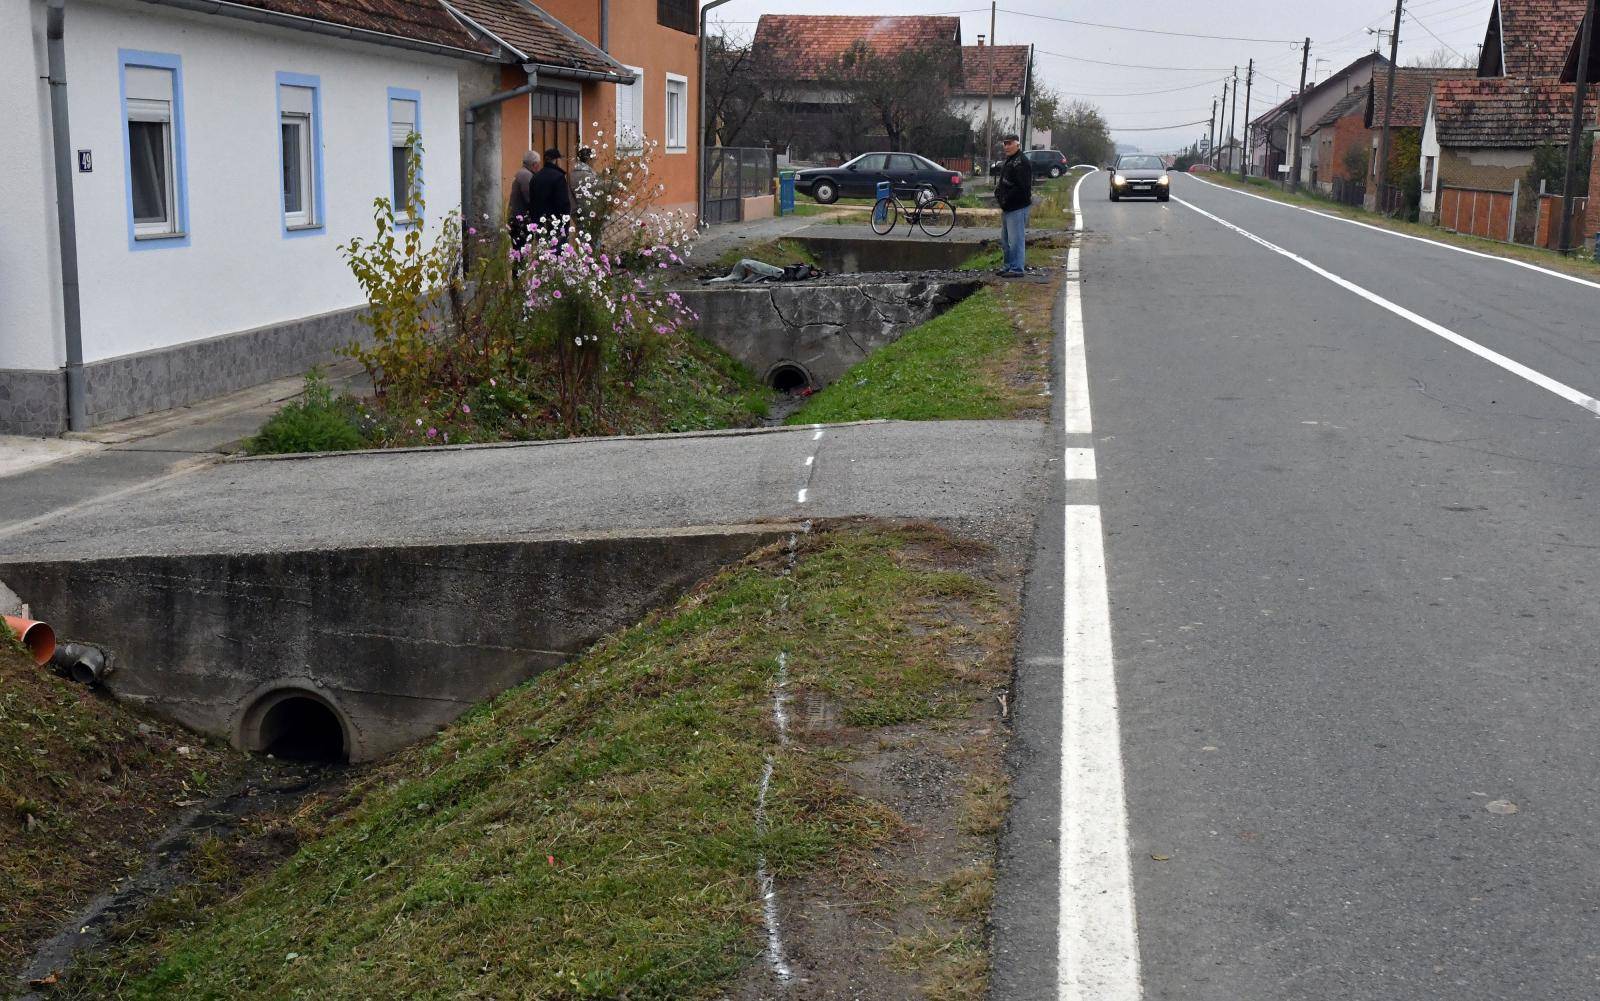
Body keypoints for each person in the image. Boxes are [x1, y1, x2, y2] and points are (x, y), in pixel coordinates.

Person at [992, 133, 1033, 277]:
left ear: (1017, 144)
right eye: (1005, 143)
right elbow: (1005, 181)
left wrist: (1007, 199)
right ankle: (1008, 265)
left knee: (1016, 240)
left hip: (1017, 207)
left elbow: (1023, 187)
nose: (1006, 146)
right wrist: (998, 193)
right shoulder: (1010, 160)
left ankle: (1017, 268)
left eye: (1010, 143)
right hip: (1007, 207)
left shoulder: (1021, 162)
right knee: (1006, 240)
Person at [529, 146, 572, 242]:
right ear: (556, 160)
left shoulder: (535, 177)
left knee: (542, 253)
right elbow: (563, 203)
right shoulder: (559, 177)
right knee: (557, 253)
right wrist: (565, 223)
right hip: (556, 223)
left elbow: (531, 201)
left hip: (539, 223)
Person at [507, 150, 539, 249]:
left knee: (519, 249)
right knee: (521, 249)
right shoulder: (526, 176)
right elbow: (529, 198)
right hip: (520, 220)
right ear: (534, 164)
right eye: (538, 164)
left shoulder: (521, 173)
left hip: (516, 218)